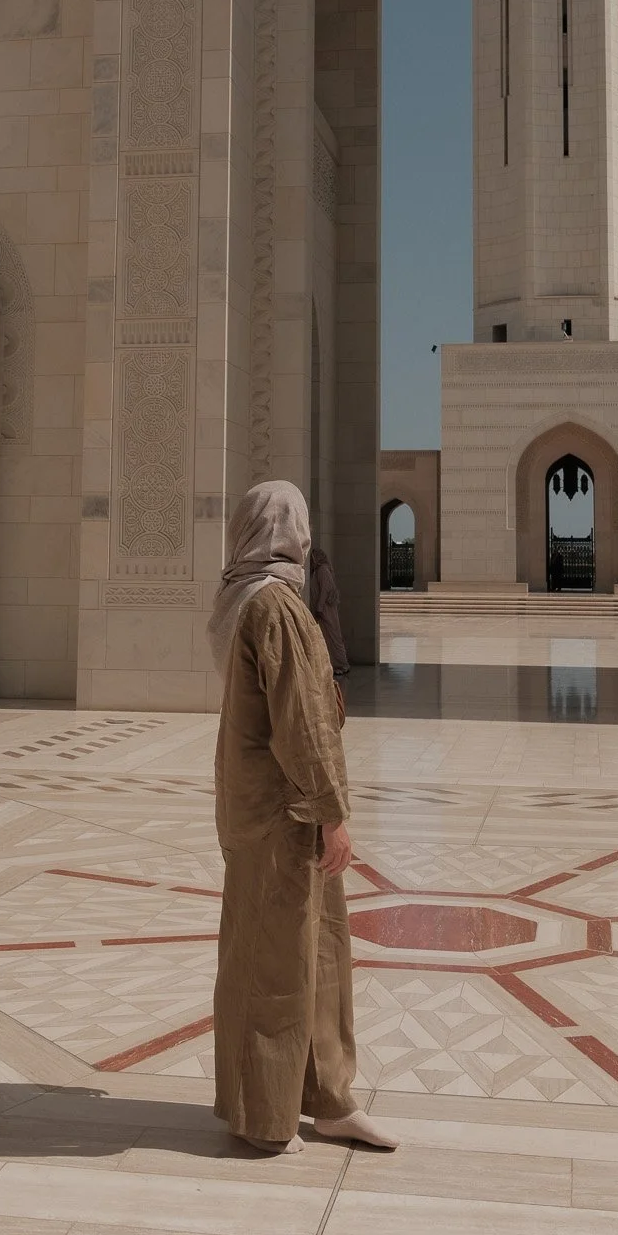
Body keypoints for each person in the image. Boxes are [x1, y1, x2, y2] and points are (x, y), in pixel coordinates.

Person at [207, 480, 397, 1156]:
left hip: (259, 806)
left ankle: (327, 1097)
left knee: (309, 951)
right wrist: (330, 814)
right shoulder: (274, 608)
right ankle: (265, 1114)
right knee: (276, 965)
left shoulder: (239, 597)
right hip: (285, 811)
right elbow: (301, 723)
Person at [307, 546, 350, 676]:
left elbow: (325, 590)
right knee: (327, 637)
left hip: (326, 610)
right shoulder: (317, 571)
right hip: (322, 610)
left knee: (333, 636)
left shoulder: (323, 570)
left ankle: (342, 664)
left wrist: (319, 607)